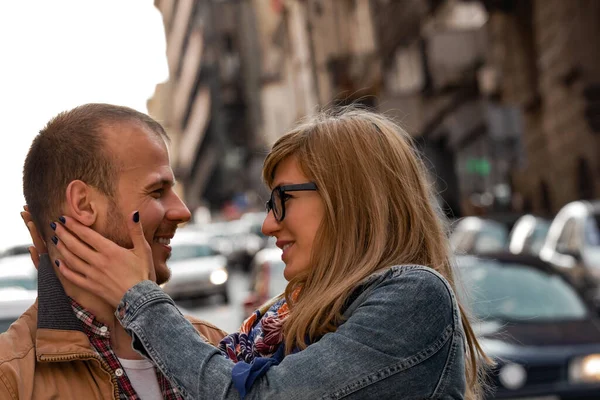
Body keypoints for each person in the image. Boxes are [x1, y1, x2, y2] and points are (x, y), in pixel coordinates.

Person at [45, 107, 492, 399]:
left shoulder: (415, 297)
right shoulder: (289, 315)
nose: (268, 224)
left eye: (283, 199)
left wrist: (138, 296)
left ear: (349, 197)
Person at [1, 104, 227, 399]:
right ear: (83, 204)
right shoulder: (12, 380)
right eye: (157, 191)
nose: (182, 212)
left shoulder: (213, 347)